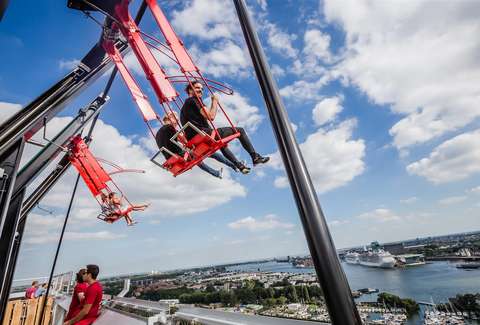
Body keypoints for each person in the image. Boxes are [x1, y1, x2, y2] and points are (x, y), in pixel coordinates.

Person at [180, 81, 269, 174]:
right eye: (197, 88)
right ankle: (255, 157)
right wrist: (214, 101)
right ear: (190, 90)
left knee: (221, 144)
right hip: (204, 135)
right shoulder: (194, 100)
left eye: (202, 89)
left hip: (196, 141)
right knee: (240, 130)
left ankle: (240, 166)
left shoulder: (184, 108)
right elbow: (211, 116)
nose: (201, 91)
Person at [155, 112, 238, 178]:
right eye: (176, 120)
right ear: (170, 117)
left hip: (172, 161)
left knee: (197, 159)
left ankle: (216, 173)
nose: (176, 123)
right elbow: (183, 140)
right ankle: (234, 165)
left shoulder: (158, 134)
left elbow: (170, 144)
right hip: (180, 157)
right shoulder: (170, 127)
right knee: (207, 150)